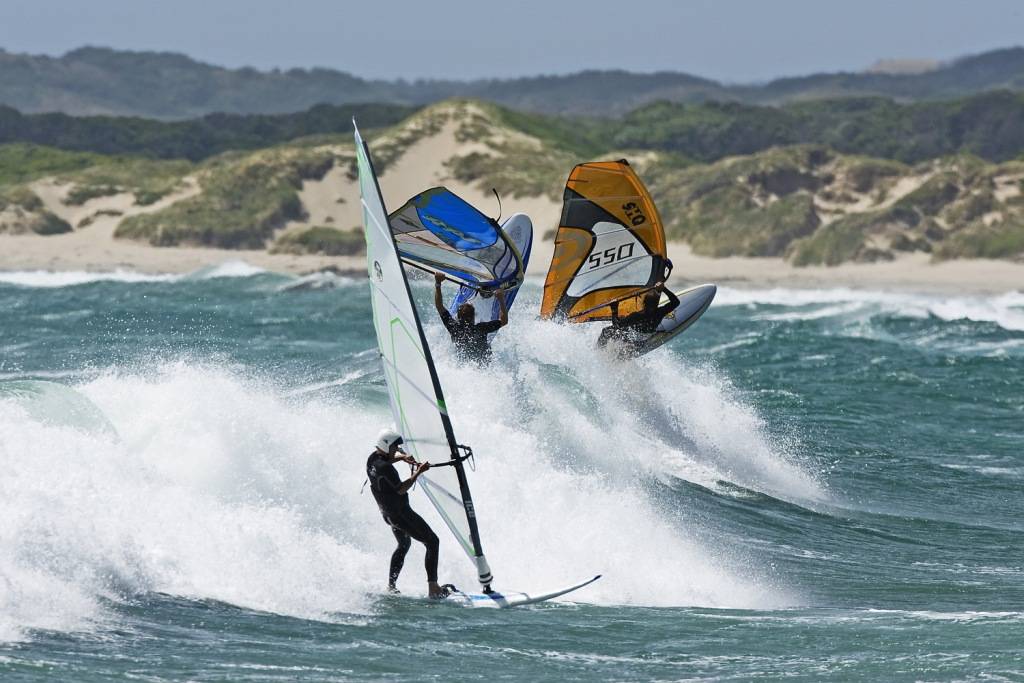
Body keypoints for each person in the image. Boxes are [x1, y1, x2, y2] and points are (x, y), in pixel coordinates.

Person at [366, 428, 448, 598]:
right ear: (386, 445)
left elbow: (386, 462)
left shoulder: (373, 459)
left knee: (404, 544)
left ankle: (391, 586)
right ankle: (433, 588)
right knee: (432, 542)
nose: (397, 450)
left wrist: (402, 457)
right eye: (395, 447)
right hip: (401, 515)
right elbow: (401, 489)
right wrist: (419, 471)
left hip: (388, 515)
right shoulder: (386, 468)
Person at [433, 272, 508, 363]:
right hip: (483, 364)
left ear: (458, 317)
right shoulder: (481, 328)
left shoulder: (453, 328)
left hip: (466, 365)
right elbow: (504, 321)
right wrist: (501, 298)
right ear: (473, 317)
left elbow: (439, 306)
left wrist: (438, 283)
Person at [596, 281, 680, 354]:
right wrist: (664, 289)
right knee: (624, 326)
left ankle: (598, 350)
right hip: (647, 338)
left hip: (634, 342)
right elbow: (676, 302)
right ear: (656, 304)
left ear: (644, 303)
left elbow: (617, 325)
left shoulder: (637, 316)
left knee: (606, 331)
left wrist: (614, 309)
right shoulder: (660, 312)